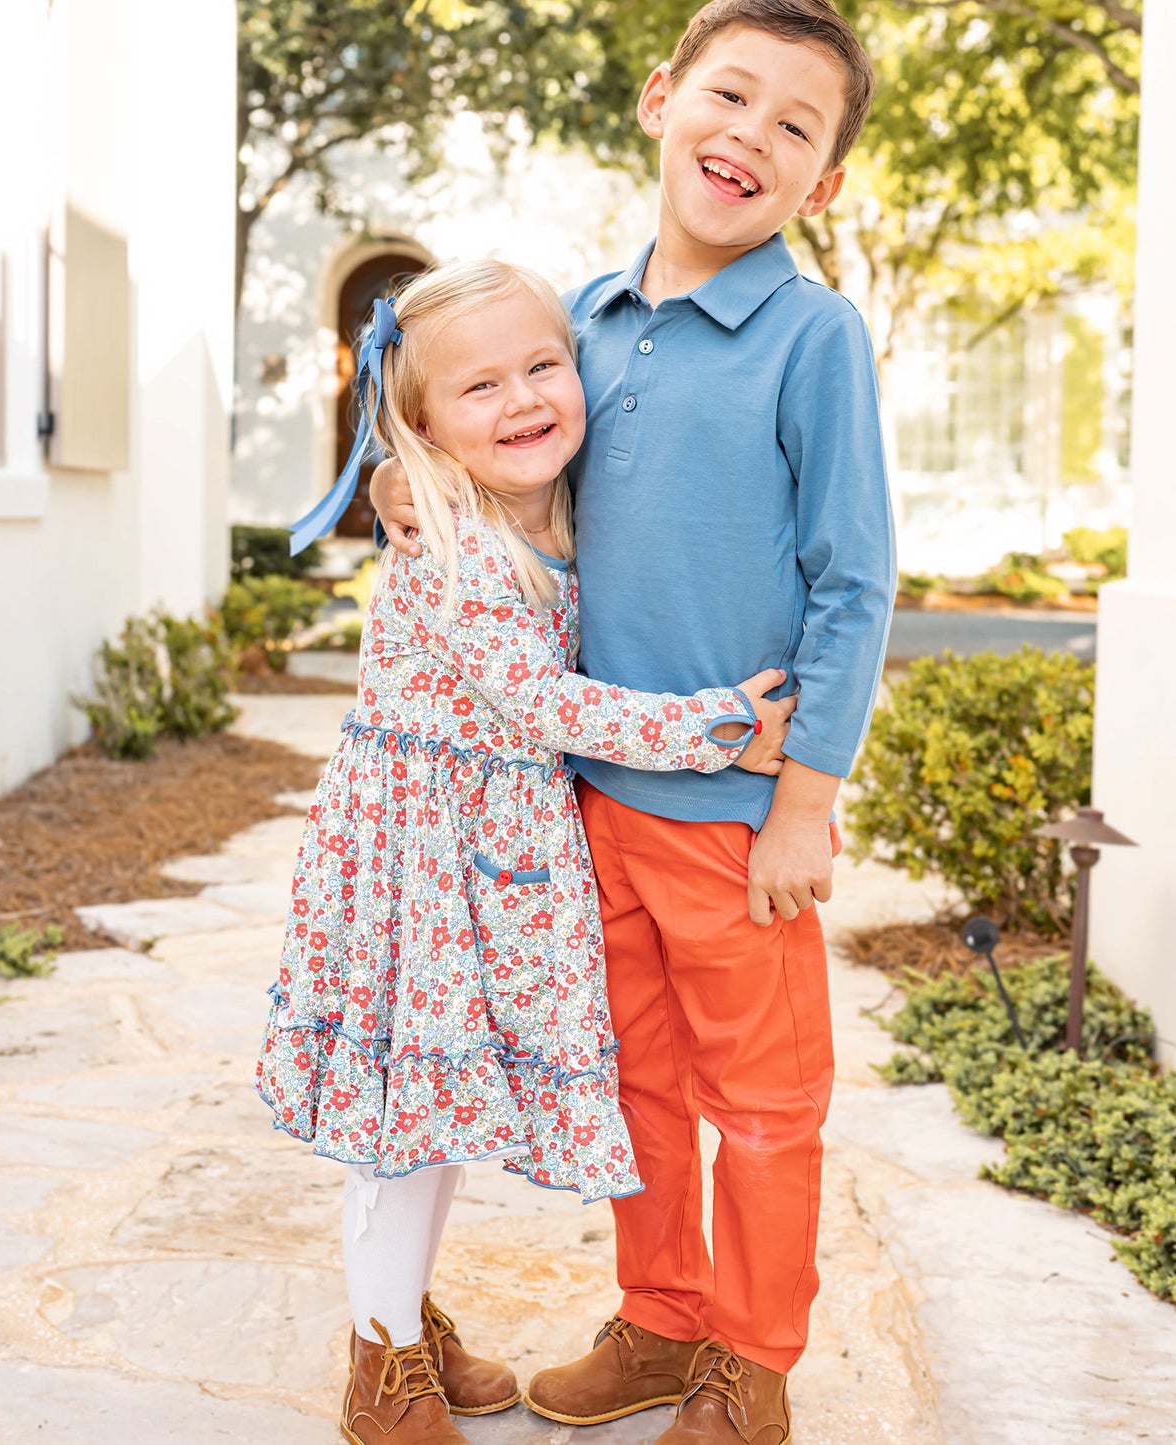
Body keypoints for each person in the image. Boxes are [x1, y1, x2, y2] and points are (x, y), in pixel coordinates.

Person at [370, 3, 897, 1441]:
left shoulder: (813, 335)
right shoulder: (582, 323)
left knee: (766, 1107)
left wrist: (804, 798)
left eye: (796, 126)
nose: (751, 136)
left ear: (824, 184)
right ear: (663, 99)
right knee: (639, 1088)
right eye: (729, 96)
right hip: (582, 802)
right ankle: (662, 1318)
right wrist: (401, 479)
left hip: (734, 816)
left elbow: (856, 581)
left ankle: (752, 1359)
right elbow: (481, 423)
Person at [254, 257, 797, 1445]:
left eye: (541, 367)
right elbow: (539, 698)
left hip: (473, 864)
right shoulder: (450, 540)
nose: (520, 400)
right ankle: (378, 1362)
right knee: (403, 1115)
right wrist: (711, 727)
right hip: (414, 868)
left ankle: (399, 1314)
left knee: (433, 1108)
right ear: (421, 423)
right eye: (478, 387)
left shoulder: (545, 503)